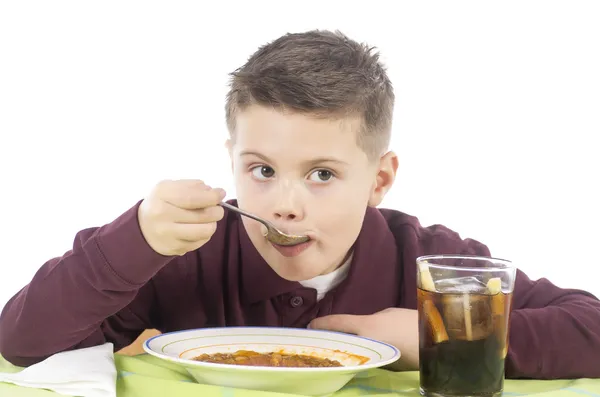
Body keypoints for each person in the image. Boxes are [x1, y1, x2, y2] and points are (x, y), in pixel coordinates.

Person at [1, 29, 599, 380]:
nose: (284, 206)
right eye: (261, 170)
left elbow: (591, 326)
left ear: (380, 178)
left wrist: (437, 334)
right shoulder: (183, 255)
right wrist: (133, 241)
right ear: (231, 159)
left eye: (321, 174)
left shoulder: (424, 257)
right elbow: (22, 342)